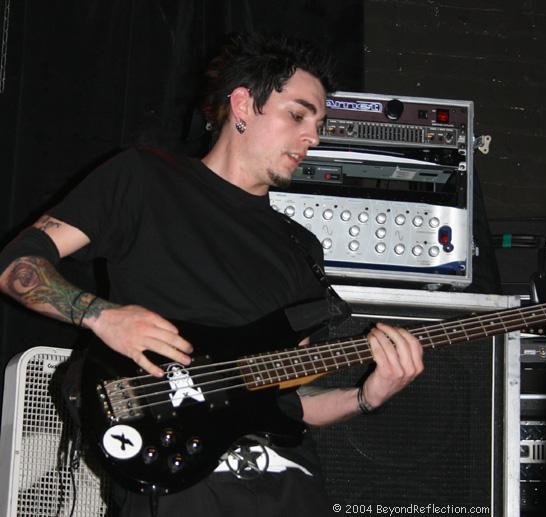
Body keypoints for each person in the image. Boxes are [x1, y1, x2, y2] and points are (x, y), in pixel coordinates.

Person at [0, 33, 424, 517]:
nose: (314, 138)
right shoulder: (144, 179)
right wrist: (101, 316)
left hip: (292, 485)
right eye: (298, 116)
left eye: (319, 124)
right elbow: (17, 265)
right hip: (177, 475)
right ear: (242, 105)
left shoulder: (301, 248)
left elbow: (291, 400)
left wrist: (365, 397)